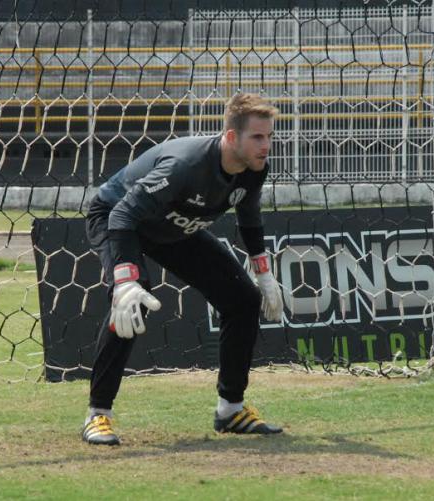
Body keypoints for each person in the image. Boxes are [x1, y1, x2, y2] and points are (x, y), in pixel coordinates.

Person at [82, 92, 285, 446]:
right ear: (232, 137)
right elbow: (122, 215)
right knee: (131, 300)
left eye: (269, 136)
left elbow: (249, 218)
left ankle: (230, 410)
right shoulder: (185, 165)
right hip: (117, 218)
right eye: (257, 137)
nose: (266, 145)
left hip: (170, 229)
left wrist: (263, 272)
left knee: (243, 300)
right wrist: (125, 281)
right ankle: (98, 415)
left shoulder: (255, 167)